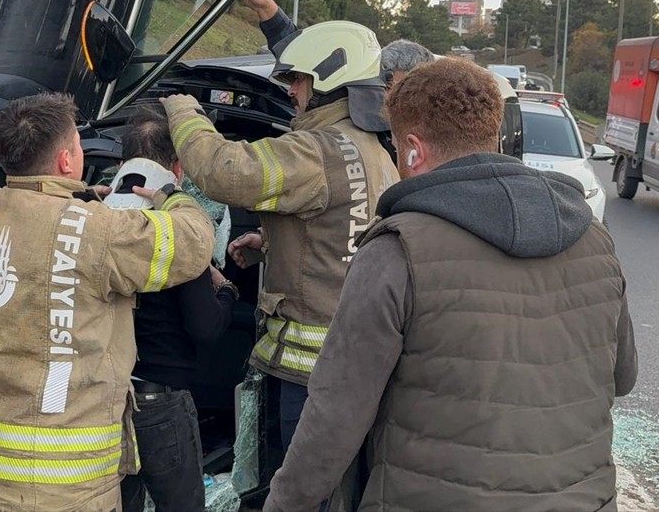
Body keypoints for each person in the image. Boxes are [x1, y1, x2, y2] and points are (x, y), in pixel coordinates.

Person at [265, 58, 637, 512]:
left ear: (413, 149)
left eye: (396, 149)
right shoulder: (594, 238)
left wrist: (285, 502)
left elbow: (335, 417)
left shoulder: (397, 251)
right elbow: (623, 377)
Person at [0, 93, 214, 512]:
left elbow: (40, 240)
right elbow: (193, 242)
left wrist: (79, 198)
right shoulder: (99, 231)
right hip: (65, 478)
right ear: (66, 161)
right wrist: (172, 195)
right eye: (77, 145)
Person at [159, 21, 399, 452]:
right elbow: (343, 233)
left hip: (309, 374)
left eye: (298, 78)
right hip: (349, 362)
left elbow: (225, 172)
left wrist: (182, 112)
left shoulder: (315, 150)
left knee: (297, 483)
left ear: (328, 80)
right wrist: (273, 245)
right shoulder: (372, 150)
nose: (291, 89)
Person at [114, 107, 239, 512]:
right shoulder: (177, 233)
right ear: (178, 170)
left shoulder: (96, 221)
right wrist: (228, 291)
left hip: (105, 399)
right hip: (159, 403)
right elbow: (206, 328)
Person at [229, 0, 435, 87]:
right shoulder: (351, 102)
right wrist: (265, 7)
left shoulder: (418, 139)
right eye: (385, 84)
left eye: (399, 91)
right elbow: (302, 57)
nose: (388, 98)